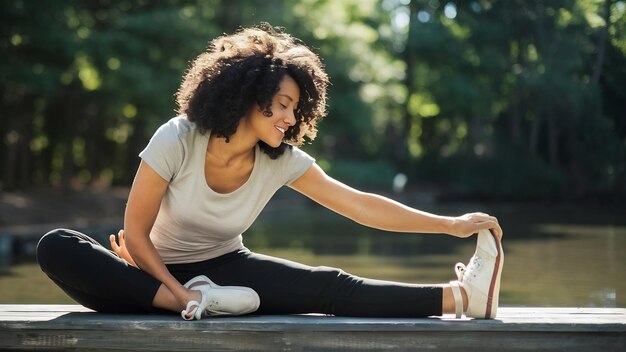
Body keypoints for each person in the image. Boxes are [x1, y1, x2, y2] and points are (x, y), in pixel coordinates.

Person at [36, 23, 504, 320]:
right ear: (244, 95)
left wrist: (450, 225)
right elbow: (134, 235)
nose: (289, 118)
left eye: (296, 109)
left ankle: (461, 298)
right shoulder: (178, 137)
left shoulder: (280, 159)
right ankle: (190, 301)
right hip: (152, 270)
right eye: (281, 104)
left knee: (330, 286)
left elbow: (360, 206)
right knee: (57, 246)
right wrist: (177, 291)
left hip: (226, 269)